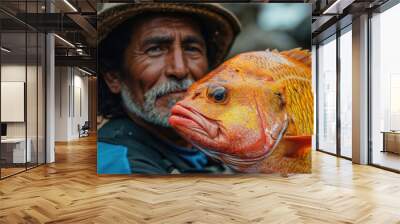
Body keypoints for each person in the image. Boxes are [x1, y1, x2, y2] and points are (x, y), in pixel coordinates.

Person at [97, 3, 241, 174]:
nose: (180, 69)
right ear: (114, 76)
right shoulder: (117, 162)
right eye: (155, 49)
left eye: (191, 49)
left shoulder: (209, 147)